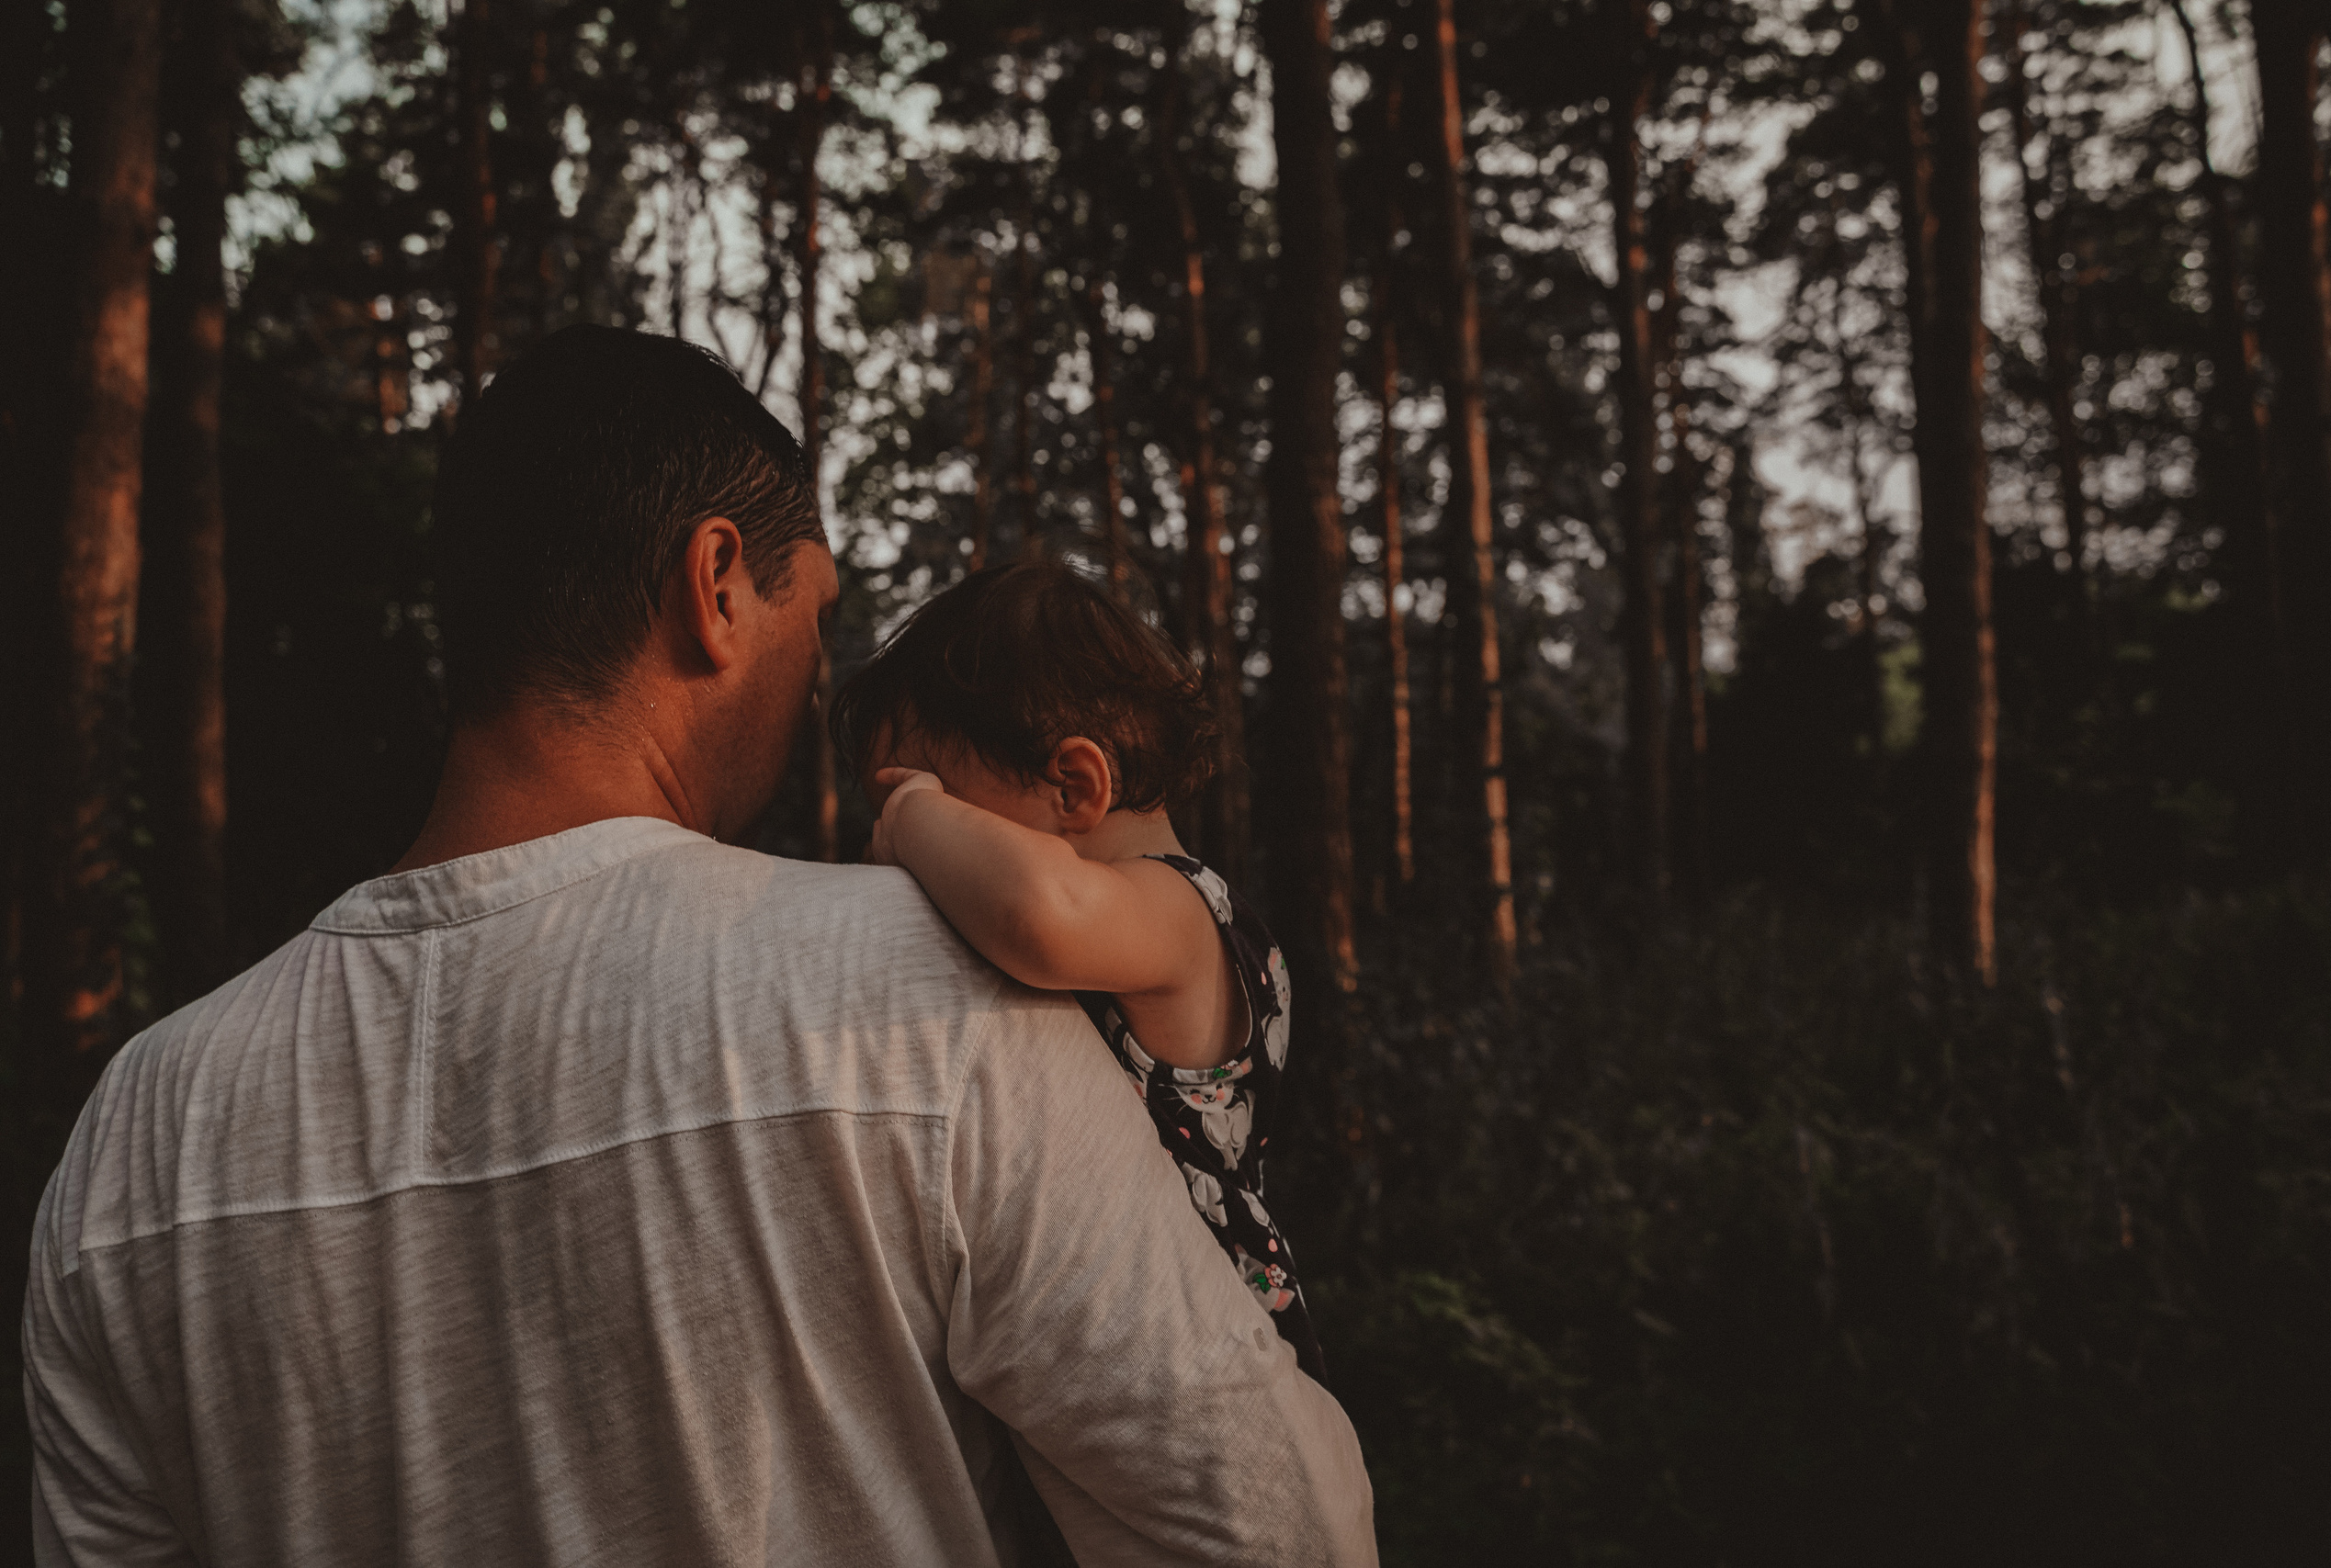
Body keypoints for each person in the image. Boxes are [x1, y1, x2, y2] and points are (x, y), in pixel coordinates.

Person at [21, 325, 1375, 1566]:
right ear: (716, 585)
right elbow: (1277, 1530)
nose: (819, 672)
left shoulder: (138, 1132)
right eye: (817, 616)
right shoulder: (924, 992)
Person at [832, 561, 1326, 1382]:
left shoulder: (1180, 911)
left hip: (1212, 1346)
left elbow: (1040, 910)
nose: (894, 841)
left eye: (934, 797)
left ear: (1073, 786)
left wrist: (914, 817)